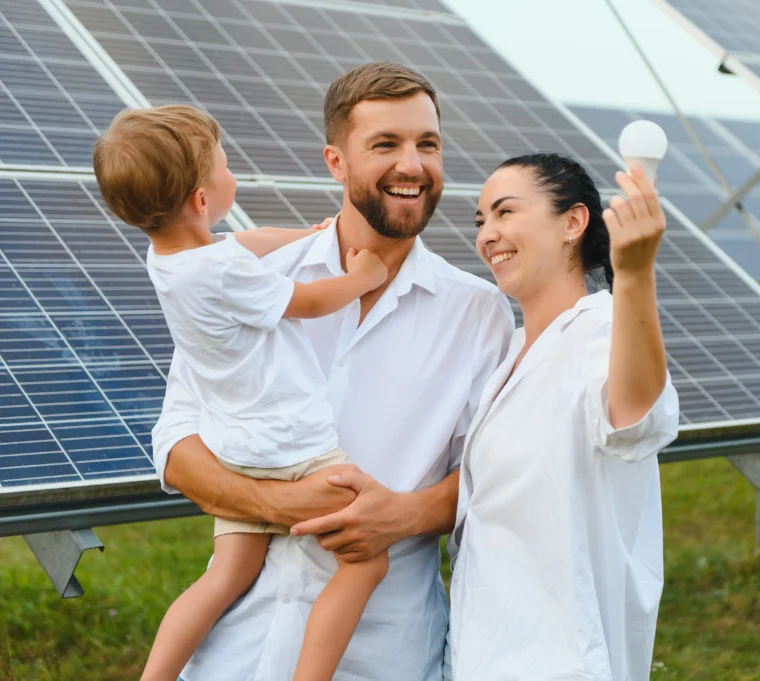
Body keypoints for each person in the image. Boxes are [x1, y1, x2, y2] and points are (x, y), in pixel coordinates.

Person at [150, 63, 514, 681]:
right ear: (336, 162)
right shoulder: (244, 279)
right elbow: (177, 447)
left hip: (381, 651)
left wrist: (398, 515)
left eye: (427, 144)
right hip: (238, 644)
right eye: (385, 145)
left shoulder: (478, 313)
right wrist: (286, 501)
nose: (412, 164)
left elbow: (492, 476)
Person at [93, 104, 392, 681]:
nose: (233, 173)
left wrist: (306, 235)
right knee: (366, 559)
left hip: (235, 448)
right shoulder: (226, 274)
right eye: (225, 167)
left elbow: (240, 244)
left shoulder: (167, 258)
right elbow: (303, 303)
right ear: (202, 201)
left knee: (224, 576)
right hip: (293, 449)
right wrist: (360, 279)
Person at [444, 153, 680, 680]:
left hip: (564, 658)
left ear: (572, 223)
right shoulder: (515, 350)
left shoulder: (601, 330)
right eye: (482, 221)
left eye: (505, 213)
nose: (488, 235)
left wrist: (636, 275)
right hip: (488, 651)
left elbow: (632, 414)